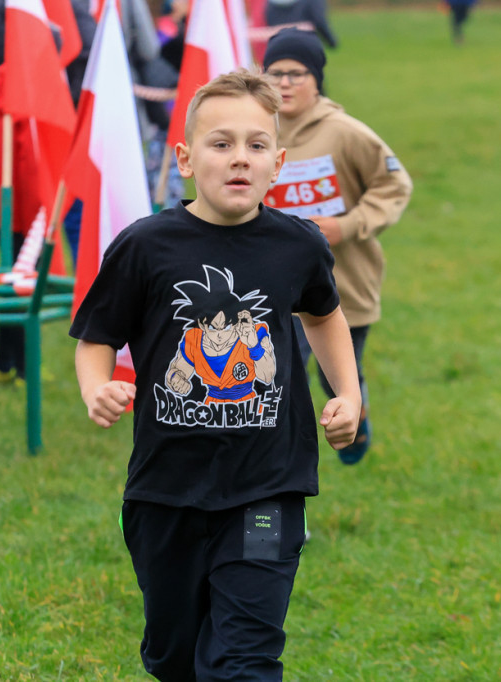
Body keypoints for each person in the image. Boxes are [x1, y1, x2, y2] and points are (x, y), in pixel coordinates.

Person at [70, 70, 361, 681]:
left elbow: (325, 315)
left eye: (257, 146)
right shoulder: (145, 247)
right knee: (174, 656)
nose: (240, 159)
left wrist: (349, 395)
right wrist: (97, 388)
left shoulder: (297, 245)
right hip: (165, 490)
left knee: (246, 659)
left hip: (267, 486)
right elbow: (97, 336)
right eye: (221, 143)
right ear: (184, 158)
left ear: (277, 163)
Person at [262, 28, 413, 465]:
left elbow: (394, 184)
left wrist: (347, 226)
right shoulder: (256, 132)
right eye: (275, 73)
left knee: (339, 378)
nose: (286, 83)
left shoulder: (345, 133)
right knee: (278, 382)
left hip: (343, 285)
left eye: (297, 73)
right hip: (276, 287)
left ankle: (354, 412)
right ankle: (281, 466)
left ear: (317, 79)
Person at [264, 0, 336, 49]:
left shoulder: (268, 3)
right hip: (305, 43)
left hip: (277, 43)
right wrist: (331, 41)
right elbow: (319, 19)